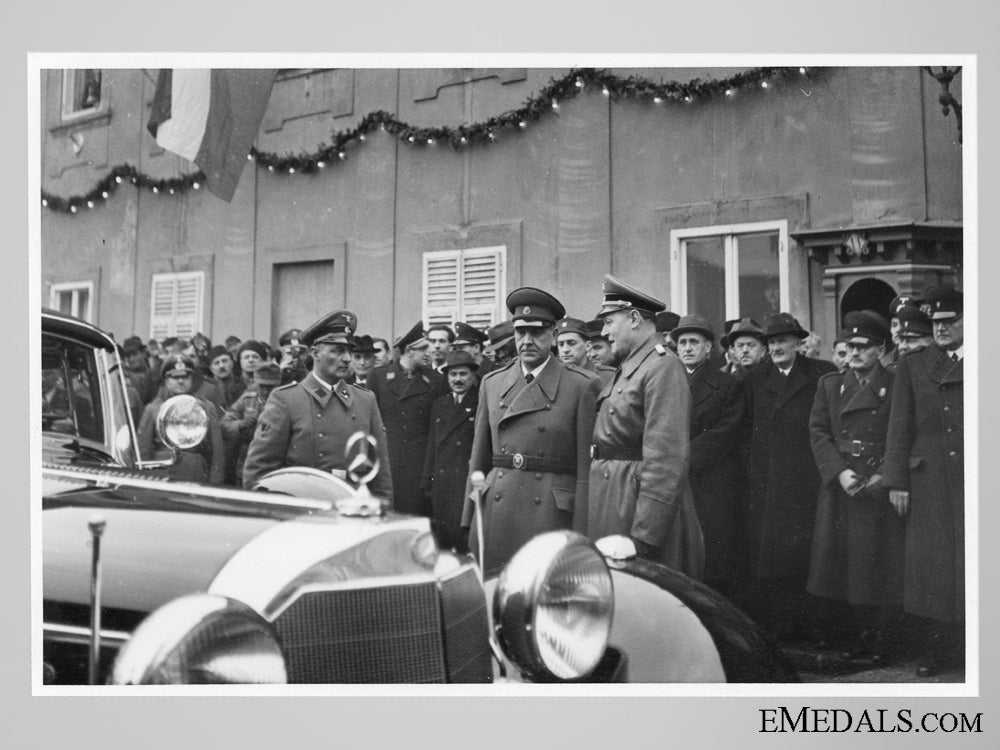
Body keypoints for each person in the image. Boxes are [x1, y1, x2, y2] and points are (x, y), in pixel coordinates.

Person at [462, 288, 600, 575]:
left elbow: (585, 469)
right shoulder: (493, 382)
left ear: (553, 335)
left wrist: (582, 529)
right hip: (497, 508)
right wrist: (469, 515)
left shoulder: (581, 385)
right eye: (520, 332)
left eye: (536, 333)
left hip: (549, 512)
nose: (526, 341)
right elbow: (479, 456)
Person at [587, 275, 703, 577]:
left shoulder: (663, 366)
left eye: (609, 322)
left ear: (635, 318)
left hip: (636, 511)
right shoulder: (631, 366)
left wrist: (645, 536)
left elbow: (666, 459)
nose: (604, 332)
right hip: (615, 502)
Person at [807, 311, 903, 665]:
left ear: (880, 349)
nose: (856, 353)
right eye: (850, 346)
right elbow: (818, 433)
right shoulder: (831, 385)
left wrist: (885, 477)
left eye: (864, 347)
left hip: (875, 482)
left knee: (876, 564)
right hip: (842, 483)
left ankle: (879, 640)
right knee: (841, 563)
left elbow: (901, 431)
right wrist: (839, 473)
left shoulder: (895, 384)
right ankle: (851, 636)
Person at [883, 285, 965, 677]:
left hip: (972, 480)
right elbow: (899, 427)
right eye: (936, 322)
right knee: (934, 569)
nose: (943, 329)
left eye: (951, 321)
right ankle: (939, 650)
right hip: (928, 481)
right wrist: (896, 480)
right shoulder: (914, 365)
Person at [742, 312, 837, 642]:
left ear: (799, 342)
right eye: (771, 342)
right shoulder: (755, 378)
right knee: (775, 559)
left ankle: (817, 627)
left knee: (811, 555)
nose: (777, 347)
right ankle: (783, 626)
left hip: (807, 478)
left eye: (783, 340)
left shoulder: (822, 373)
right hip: (769, 481)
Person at [241, 310, 393, 497]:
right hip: (303, 512)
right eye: (337, 350)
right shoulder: (287, 400)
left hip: (351, 512)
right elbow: (259, 474)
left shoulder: (365, 400)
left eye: (348, 351)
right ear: (315, 353)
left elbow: (381, 476)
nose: (346, 358)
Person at [670, 314, 746, 596]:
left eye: (694, 342)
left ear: (709, 348)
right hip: (673, 479)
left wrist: (683, 459)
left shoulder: (728, 385)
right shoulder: (667, 381)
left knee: (711, 554)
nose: (687, 348)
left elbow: (724, 433)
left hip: (710, 481)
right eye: (683, 342)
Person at [369, 322, 448, 516]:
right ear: (409, 351)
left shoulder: (436, 381)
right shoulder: (378, 377)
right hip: (388, 461)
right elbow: (370, 422)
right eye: (423, 349)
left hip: (420, 465)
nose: (428, 353)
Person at [421, 350, 480, 553]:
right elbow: (432, 446)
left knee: (462, 539)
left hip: (464, 481)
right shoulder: (440, 404)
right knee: (443, 541)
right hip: (442, 482)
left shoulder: (480, 403)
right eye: (453, 375)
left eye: (463, 374)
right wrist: (427, 479)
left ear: (473, 377)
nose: (458, 379)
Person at [137, 355, 224, 484]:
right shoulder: (153, 409)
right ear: (166, 380)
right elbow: (144, 451)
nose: (181, 381)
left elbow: (217, 451)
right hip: (162, 474)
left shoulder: (205, 408)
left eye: (185, 377)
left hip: (195, 474)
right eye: (175, 377)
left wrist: (215, 483)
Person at [221, 362, 283, 485]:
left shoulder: (286, 401)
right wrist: (240, 424)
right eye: (262, 386)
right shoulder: (248, 399)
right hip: (248, 459)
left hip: (276, 460)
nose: (265, 391)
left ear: (278, 384)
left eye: (270, 387)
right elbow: (224, 424)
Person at [207, 345, 245, 409]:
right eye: (217, 363)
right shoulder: (207, 390)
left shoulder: (243, 385)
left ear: (232, 363)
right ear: (211, 368)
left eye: (224, 361)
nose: (221, 366)